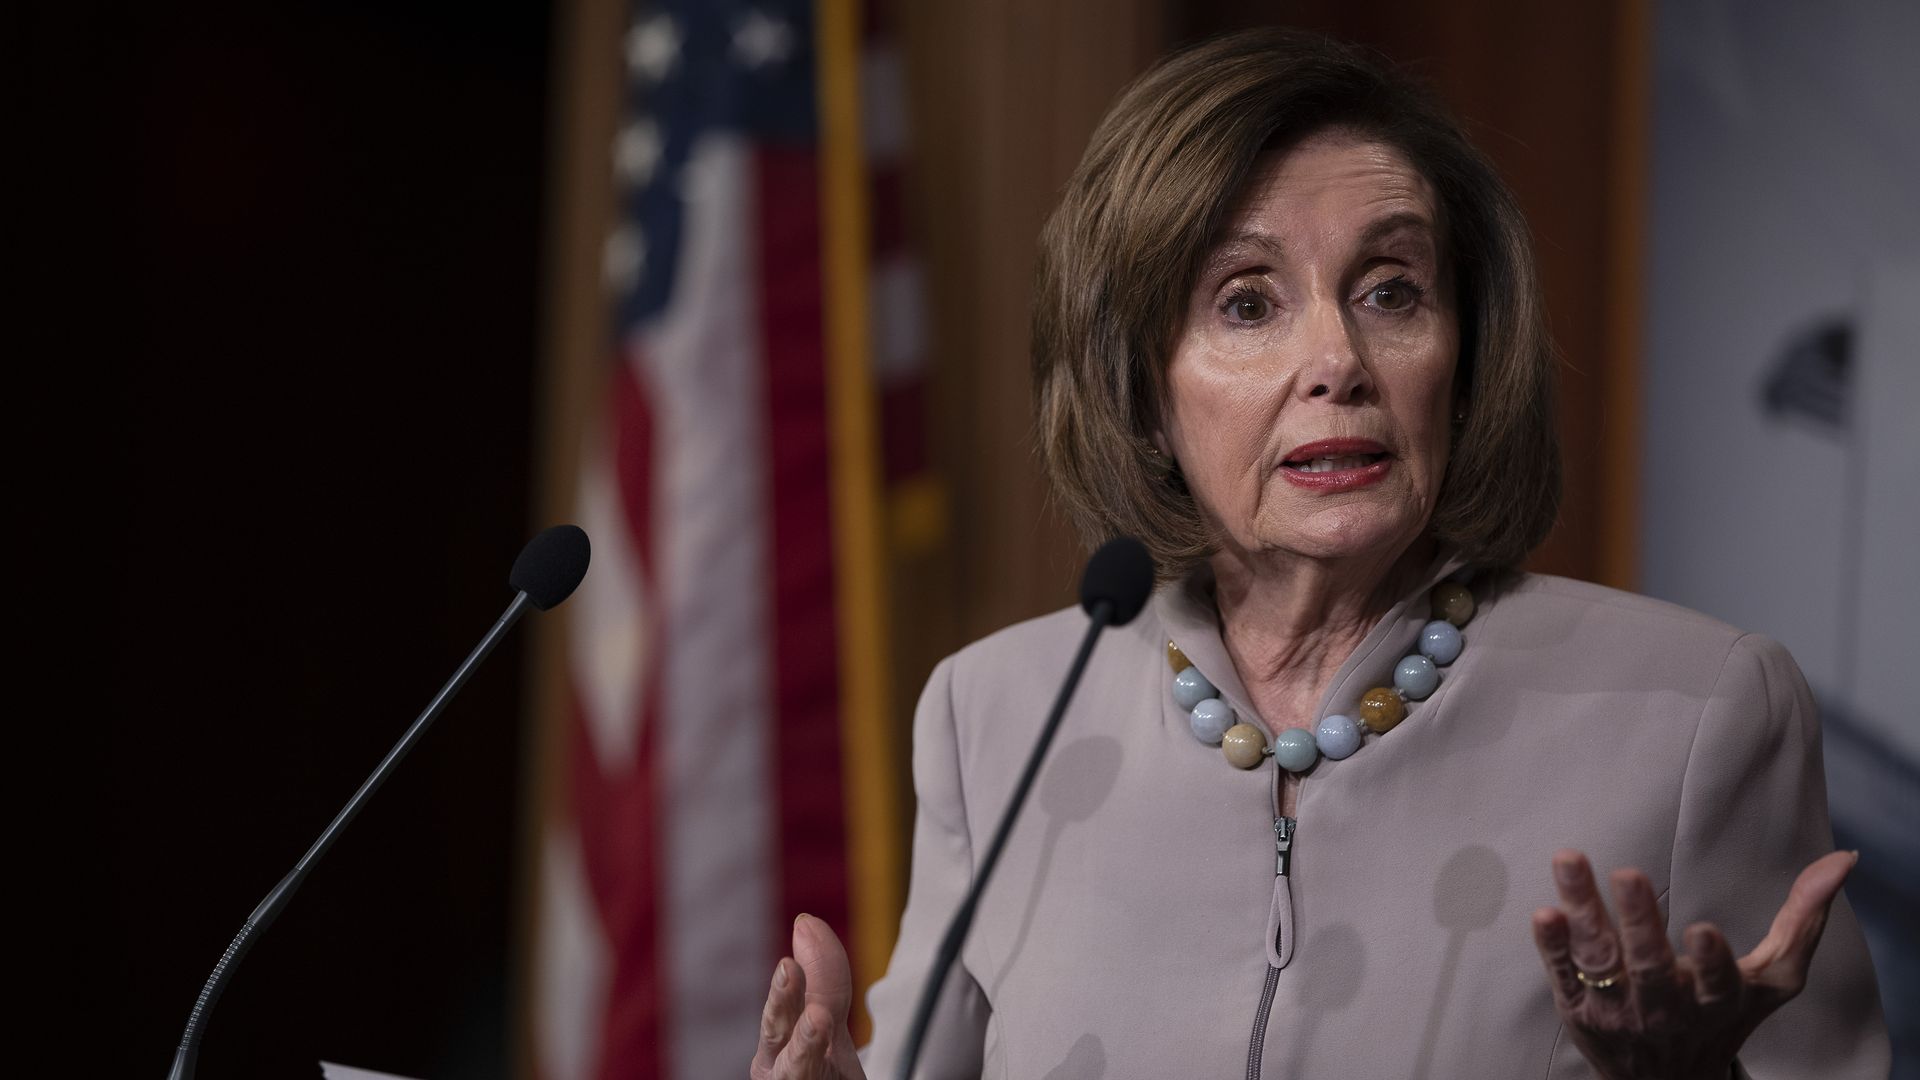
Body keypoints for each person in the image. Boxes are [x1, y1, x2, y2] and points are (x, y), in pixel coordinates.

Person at [750, 28, 1888, 1080]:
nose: (1338, 359)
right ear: (1140, 389)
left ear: (1465, 350)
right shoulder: (994, 713)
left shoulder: (1697, 715)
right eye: (1248, 304)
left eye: (1392, 291)